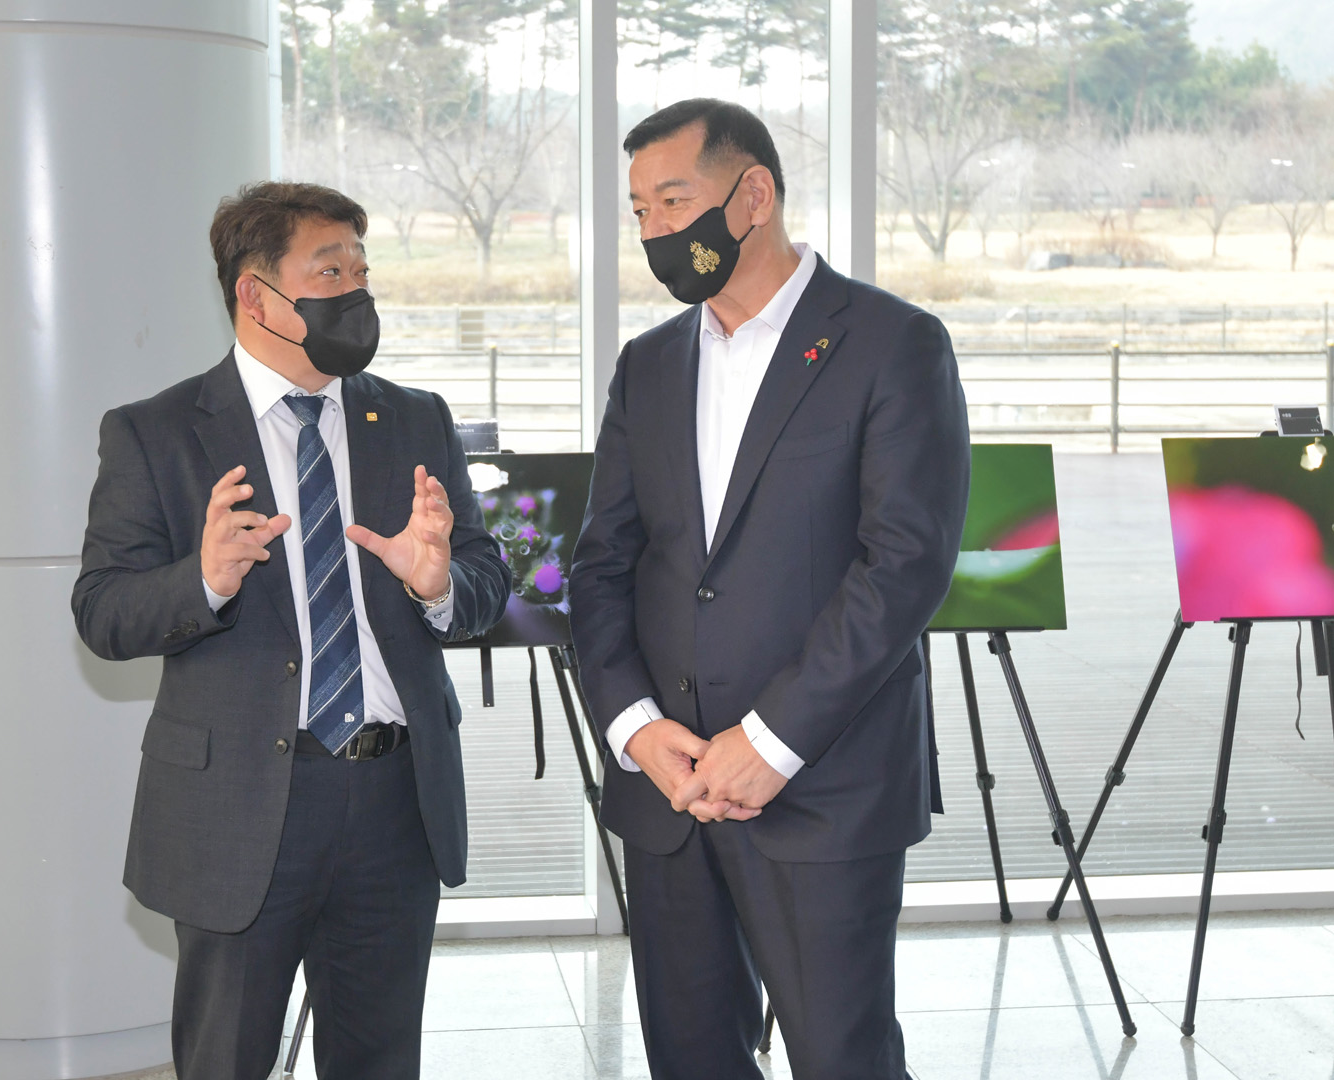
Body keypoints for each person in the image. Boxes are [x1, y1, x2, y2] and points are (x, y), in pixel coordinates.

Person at [569, 99, 971, 1080]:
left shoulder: (892, 343)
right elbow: (603, 564)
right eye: (639, 211)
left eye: (674, 201)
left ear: (754, 195)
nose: (656, 231)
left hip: (821, 785)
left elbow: (904, 565)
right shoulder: (648, 365)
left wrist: (771, 740)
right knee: (691, 1057)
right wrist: (636, 730)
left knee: (842, 1058)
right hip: (669, 790)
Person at [72, 180, 510, 1080]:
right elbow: (103, 612)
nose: (356, 289)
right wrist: (203, 580)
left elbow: (485, 580)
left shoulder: (415, 418)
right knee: (227, 1059)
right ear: (256, 295)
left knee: (380, 1062)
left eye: (362, 269)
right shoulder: (157, 433)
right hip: (241, 806)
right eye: (330, 271)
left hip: (394, 800)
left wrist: (439, 586)